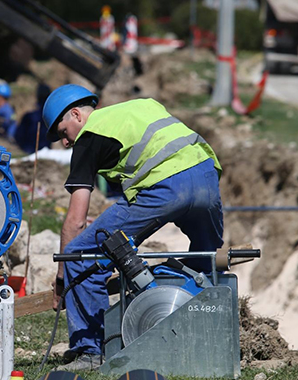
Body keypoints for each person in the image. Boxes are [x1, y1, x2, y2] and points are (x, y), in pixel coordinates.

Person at [42, 84, 223, 370]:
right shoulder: (138, 106)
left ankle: (92, 351)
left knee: (80, 254)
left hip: (167, 187)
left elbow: (76, 221)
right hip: (207, 177)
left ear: (76, 115)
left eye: (63, 133)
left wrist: (63, 277)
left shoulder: (89, 137)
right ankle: (211, 338)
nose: (65, 143)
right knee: (207, 260)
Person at [14, 83, 52, 154]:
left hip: (29, 151)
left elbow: (18, 136)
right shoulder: (52, 118)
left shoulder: (28, 117)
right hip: (43, 152)